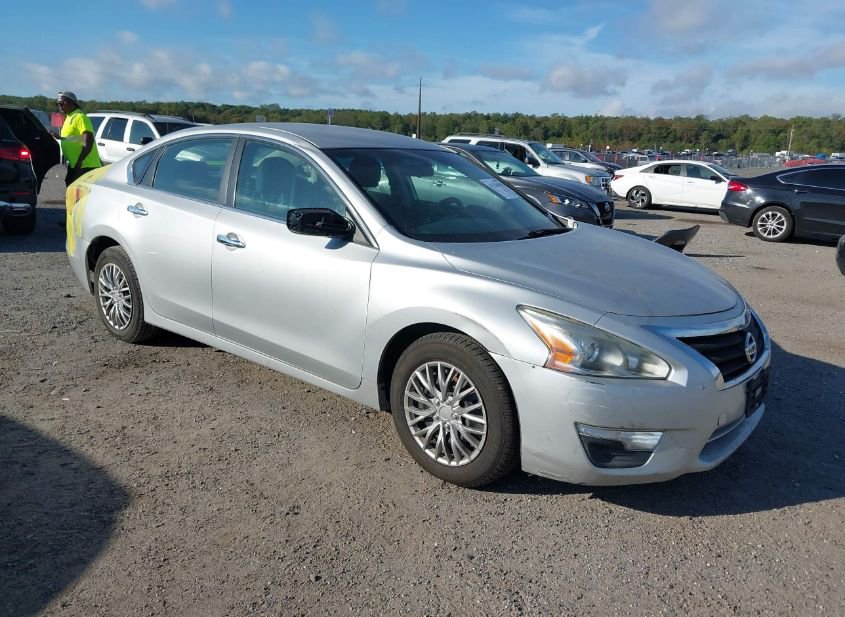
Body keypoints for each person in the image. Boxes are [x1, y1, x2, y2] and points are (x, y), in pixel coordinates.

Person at [57, 91, 101, 187]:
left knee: (79, 193)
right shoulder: (69, 117)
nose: (59, 105)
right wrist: (60, 138)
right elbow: (77, 138)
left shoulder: (80, 117)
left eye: (62, 102)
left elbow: (88, 141)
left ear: (72, 103)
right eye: (58, 103)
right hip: (75, 164)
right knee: (71, 186)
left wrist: (79, 163)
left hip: (85, 165)